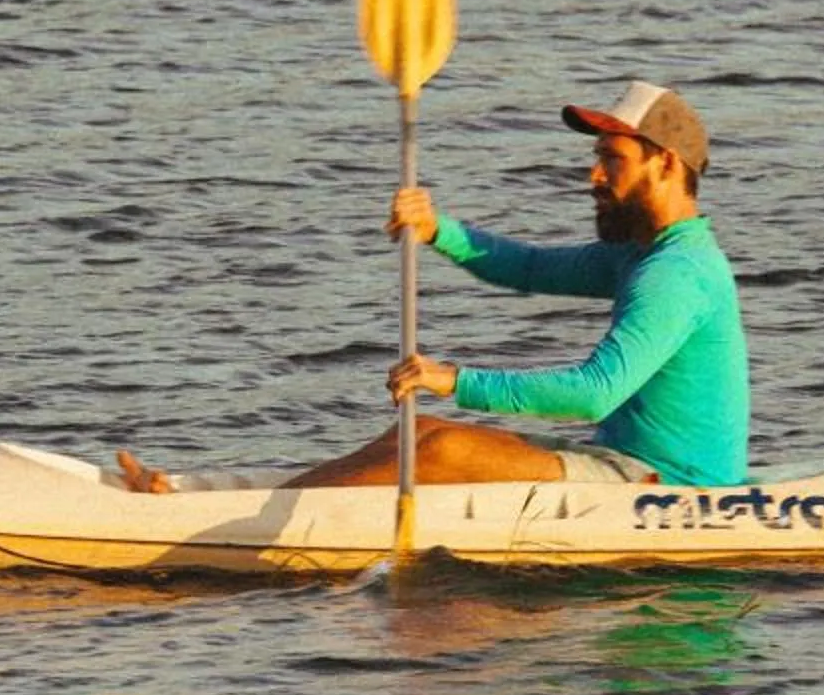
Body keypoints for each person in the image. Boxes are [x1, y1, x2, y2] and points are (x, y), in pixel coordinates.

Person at [119, 81, 751, 493]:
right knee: (412, 440)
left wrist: (454, 379)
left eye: (612, 159)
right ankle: (207, 493)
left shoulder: (677, 274)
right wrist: (435, 228)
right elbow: (528, 267)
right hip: (625, 468)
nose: (593, 174)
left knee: (443, 444)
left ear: (665, 164)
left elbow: (592, 395)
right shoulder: (641, 255)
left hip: (668, 488)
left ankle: (200, 512)